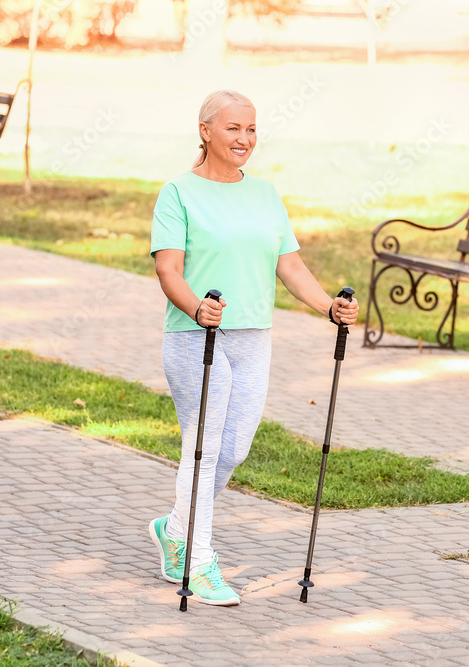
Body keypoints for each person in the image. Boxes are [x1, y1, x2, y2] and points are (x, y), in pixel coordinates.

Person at [148, 90, 359, 606]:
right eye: (232, 129)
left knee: (233, 449)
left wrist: (327, 306)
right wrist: (198, 307)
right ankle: (198, 562)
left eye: (251, 130)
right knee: (204, 444)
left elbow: (288, 265)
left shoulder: (264, 194)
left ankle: (175, 529)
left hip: (252, 338)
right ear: (206, 131)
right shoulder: (177, 193)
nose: (244, 139)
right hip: (197, 336)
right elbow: (167, 269)